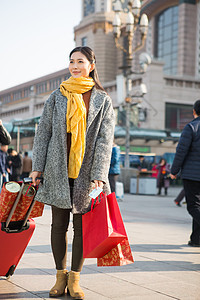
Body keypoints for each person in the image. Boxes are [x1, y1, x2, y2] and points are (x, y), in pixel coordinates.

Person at [30, 46, 115, 299]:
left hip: (86, 172)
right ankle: (60, 276)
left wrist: (99, 173)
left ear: (91, 65)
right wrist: (37, 166)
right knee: (58, 225)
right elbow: (43, 133)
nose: (75, 66)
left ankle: (75, 279)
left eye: (80, 61)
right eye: (71, 62)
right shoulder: (57, 96)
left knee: (81, 227)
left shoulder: (102, 99)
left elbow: (104, 139)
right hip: (58, 170)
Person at [170, 100, 200, 247]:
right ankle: (196, 239)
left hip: (193, 175)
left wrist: (174, 170)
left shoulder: (191, 127)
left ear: (195, 111)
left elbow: (181, 151)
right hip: (193, 174)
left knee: (193, 206)